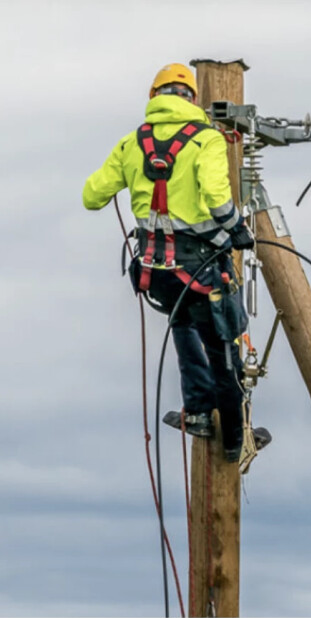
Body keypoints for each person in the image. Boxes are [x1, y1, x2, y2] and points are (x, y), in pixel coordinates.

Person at [83, 63, 258, 462]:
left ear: (153, 97)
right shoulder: (206, 139)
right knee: (223, 347)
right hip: (198, 270)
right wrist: (238, 230)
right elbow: (217, 199)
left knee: (183, 323)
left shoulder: (132, 144)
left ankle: (197, 410)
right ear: (192, 99)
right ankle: (235, 438)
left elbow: (92, 196)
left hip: (154, 273)